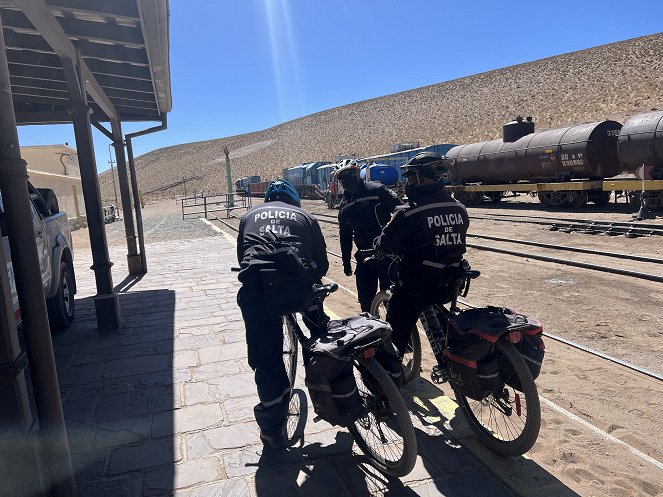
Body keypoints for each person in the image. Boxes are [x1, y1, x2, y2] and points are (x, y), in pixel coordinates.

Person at [236, 179, 329, 448]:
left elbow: (241, 260)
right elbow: (320, 264)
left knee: (267, 362)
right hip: (300, 292)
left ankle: (273, 432)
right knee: (322, 335)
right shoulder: (306, 216)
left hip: (259, 297)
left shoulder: (247, 216)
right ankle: (330, 380)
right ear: (294, 200)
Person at [373, 152, 469, 356]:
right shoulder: (459, 209)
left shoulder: (408, 212)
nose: (407, 181)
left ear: (421, 179)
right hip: (450, 281)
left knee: (395, 331)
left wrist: (379, 247)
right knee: (447, 325)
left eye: (410, 177)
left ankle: (388, 380)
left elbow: (385, 243)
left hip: (418, 283)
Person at [337, 161, 402, 312]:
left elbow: (400, 211)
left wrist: (398, 240)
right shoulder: (344, 205)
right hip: (364, 258)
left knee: (393, 302)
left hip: (388, 256)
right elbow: (344, 235)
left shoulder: (377, 190)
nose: (348, 179)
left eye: (351, 174)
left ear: (357, 173)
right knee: (366, 303)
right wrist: (346, 261)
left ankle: (398, 334)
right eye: (343, 178)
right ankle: (376, 331)